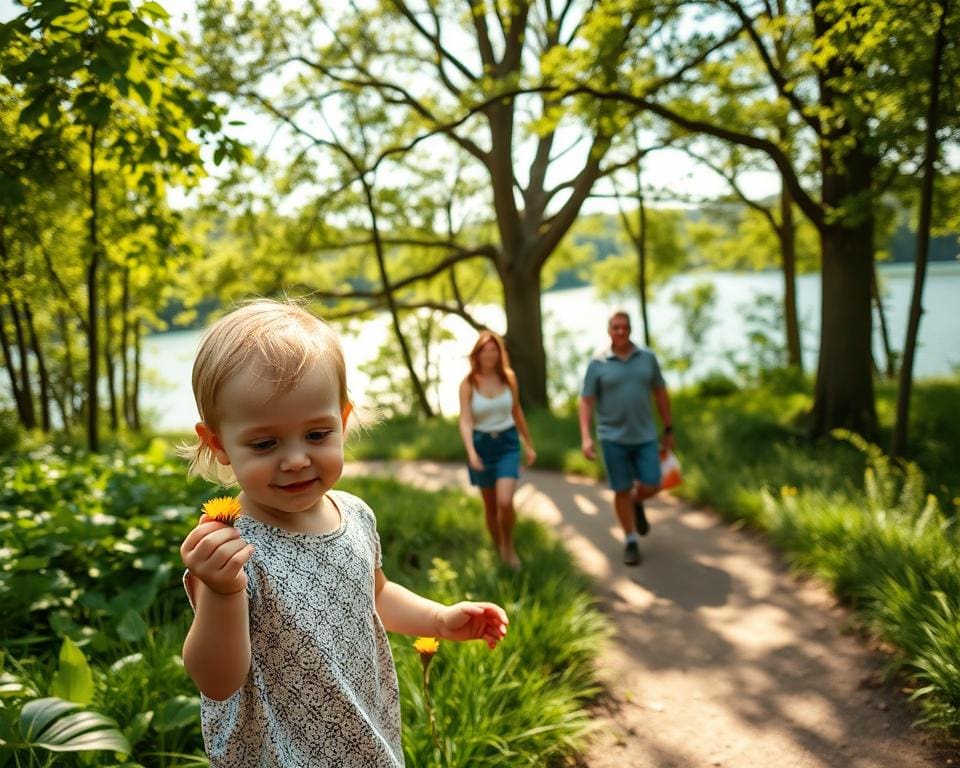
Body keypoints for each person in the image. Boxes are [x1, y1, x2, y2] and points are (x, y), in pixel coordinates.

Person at [178, 300, 509, 767]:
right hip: (282, 753)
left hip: (361, 735)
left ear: (344, 418)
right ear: (219, 444)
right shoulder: (230, 550)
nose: (296, 459)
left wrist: (437, 619)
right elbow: (217, 680)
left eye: (317, 434)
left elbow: (375, 595)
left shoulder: (353, 513)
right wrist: (224, 591)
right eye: (265, 443)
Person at [578, 310, 674, 566]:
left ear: (630, 330)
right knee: (620, 488)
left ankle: (636, 500)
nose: (621, 331)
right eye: (616, 327)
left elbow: (660, 393)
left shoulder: (647, 358)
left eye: (625, 327)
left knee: (653, 483)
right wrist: (586, 437)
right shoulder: (597, 363)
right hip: (612, 438)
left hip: (644, 436)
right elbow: (586, 401)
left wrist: (668, 428)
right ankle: (631, 540)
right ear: (609, 330)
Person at [458, 330, 536, 570]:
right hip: (482, 445)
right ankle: (498, 546)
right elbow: (466, 419)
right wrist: (471, 451)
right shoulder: (468, 382)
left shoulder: (508, 377)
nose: (489, 354)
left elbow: (517, 411)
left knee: (505, 502)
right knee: (490, 507)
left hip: (508, 444)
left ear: (499, 353)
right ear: (477, 354)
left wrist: (528, 444)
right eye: (484, 350)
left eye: (493, 349)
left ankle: (508, 546)